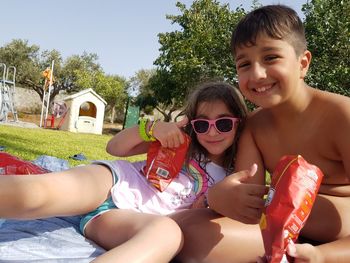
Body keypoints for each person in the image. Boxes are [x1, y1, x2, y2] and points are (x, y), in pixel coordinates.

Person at [174, 4, 350, 263]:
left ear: (303, 63)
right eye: (244, 63)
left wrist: (322, 256)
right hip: (279, 228)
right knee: (180, 227)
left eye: (270, 58)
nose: (257, 74)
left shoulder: (341, 115)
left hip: (338, 237)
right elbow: (249, 203)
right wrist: (217, 197)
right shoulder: (253, 126)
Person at [0, 81, 247, 263]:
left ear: (239, 123)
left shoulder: (231, 176)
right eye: (203, 124)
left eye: (223, 123)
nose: (212, 132)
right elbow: (114, 147)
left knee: (167, 235)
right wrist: (152, 129)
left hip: (122, 217)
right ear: (193, 123)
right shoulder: (179, 140)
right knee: (37, 192)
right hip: (112, 180)